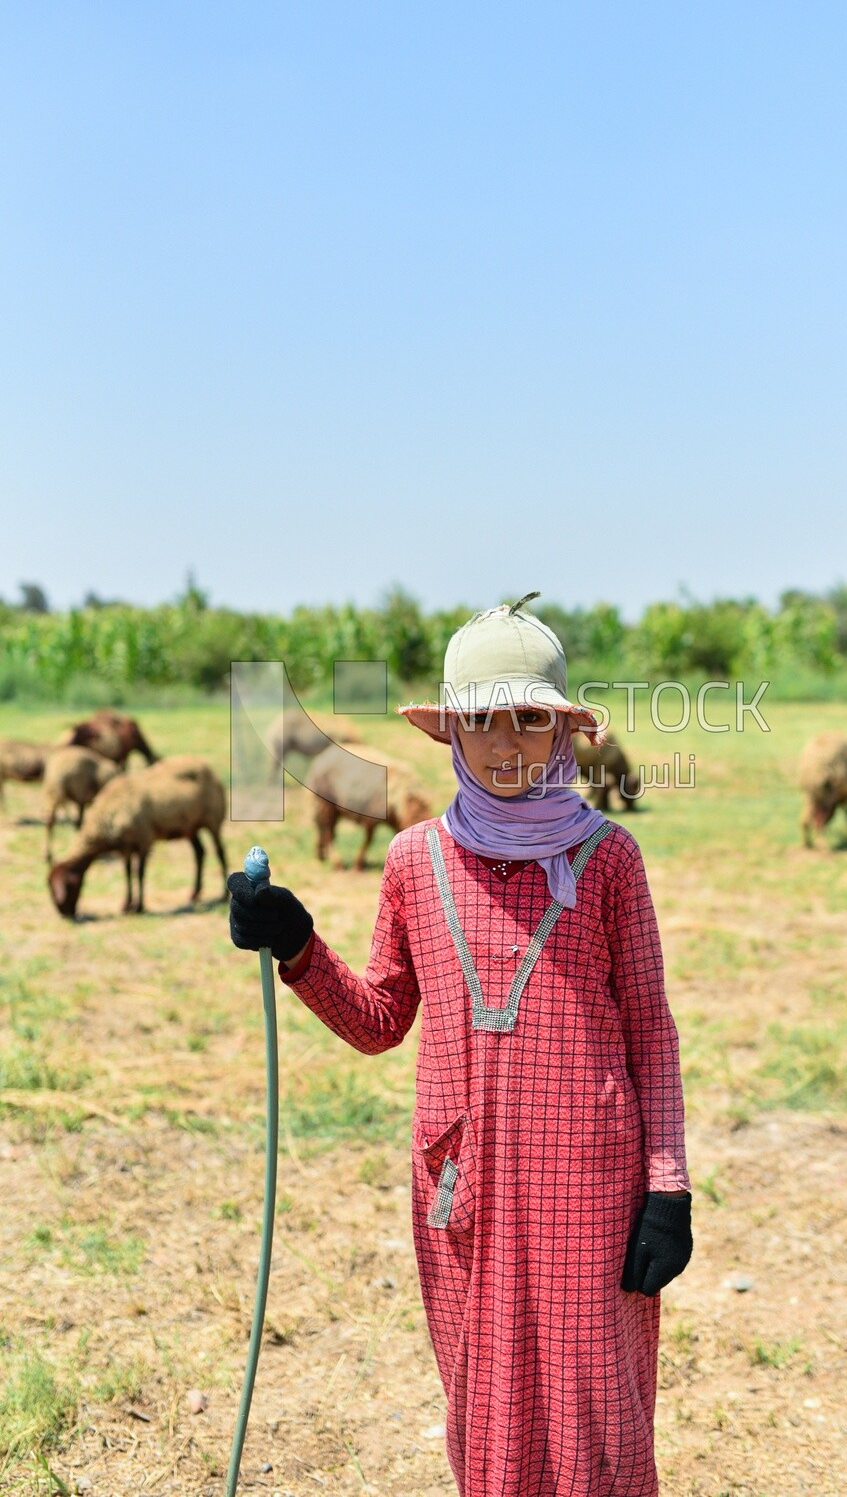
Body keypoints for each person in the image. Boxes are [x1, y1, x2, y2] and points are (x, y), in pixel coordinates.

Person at [228, 595, 692, 1497]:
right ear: (450, 733)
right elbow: (377, 1020)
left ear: (562, 730)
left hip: (590, 1187)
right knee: (485, 1400)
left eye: (530, 717)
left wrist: (665, 1188)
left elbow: (651, 1036)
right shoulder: (412, 860)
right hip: (461, 1183)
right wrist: (296, 945)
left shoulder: (609, 860)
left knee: (595, 1404)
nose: (505, 742)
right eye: (481, 720)